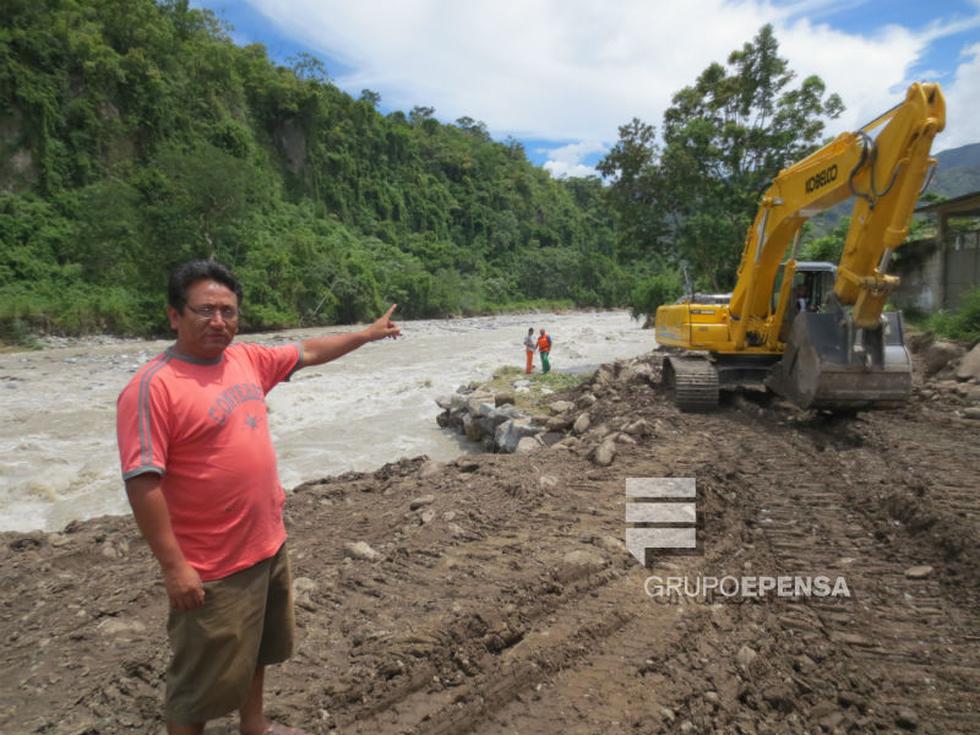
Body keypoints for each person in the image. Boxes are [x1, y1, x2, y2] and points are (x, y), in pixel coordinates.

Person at [116, 260, 400, 735]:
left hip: (266, 545)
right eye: (205, 310)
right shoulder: (152, 387)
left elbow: (308, 351)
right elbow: (142, 482)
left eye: (227, 311)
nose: (218, 321)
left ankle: (255, 726)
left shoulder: (246, 360)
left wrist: (366, 335)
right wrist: (174, 567)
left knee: (258, 651)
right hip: (211, 565)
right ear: (174, 316)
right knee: (195, 686)